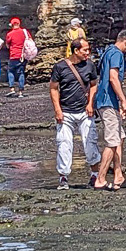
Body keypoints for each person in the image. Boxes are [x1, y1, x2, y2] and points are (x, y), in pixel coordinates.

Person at [50, 38, 100, 188]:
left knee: (90, 143)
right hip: (65, 112)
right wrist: (57, 110)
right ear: (76, 50)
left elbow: (93, 85)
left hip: (85, 111)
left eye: (88, 49)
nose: (87, 53)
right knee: (64, 145)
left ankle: (95, 175)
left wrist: (90, 104)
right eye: (85, 50)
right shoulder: (60, 67)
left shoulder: (90, 65)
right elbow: (53, 88)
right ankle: (63, 177)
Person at [93, 27, 126, 189]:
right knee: (112, 141)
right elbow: (113, 78)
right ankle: (100, 179)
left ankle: (118, 175)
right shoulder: (116, 54)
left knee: (119, 137)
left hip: (107, 101)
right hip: (107, 101)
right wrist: (124, 101)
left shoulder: (107, 51)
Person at [6, 15, 31, 93]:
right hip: (23, 55)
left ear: (12, 25)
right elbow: (30, 40)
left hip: (13, 55)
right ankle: (20, 91)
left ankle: (12, 88)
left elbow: (7, 45)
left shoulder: (10, 34)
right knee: (21, 72)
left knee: (11, 71)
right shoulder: (25, 32)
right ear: (19, 24)